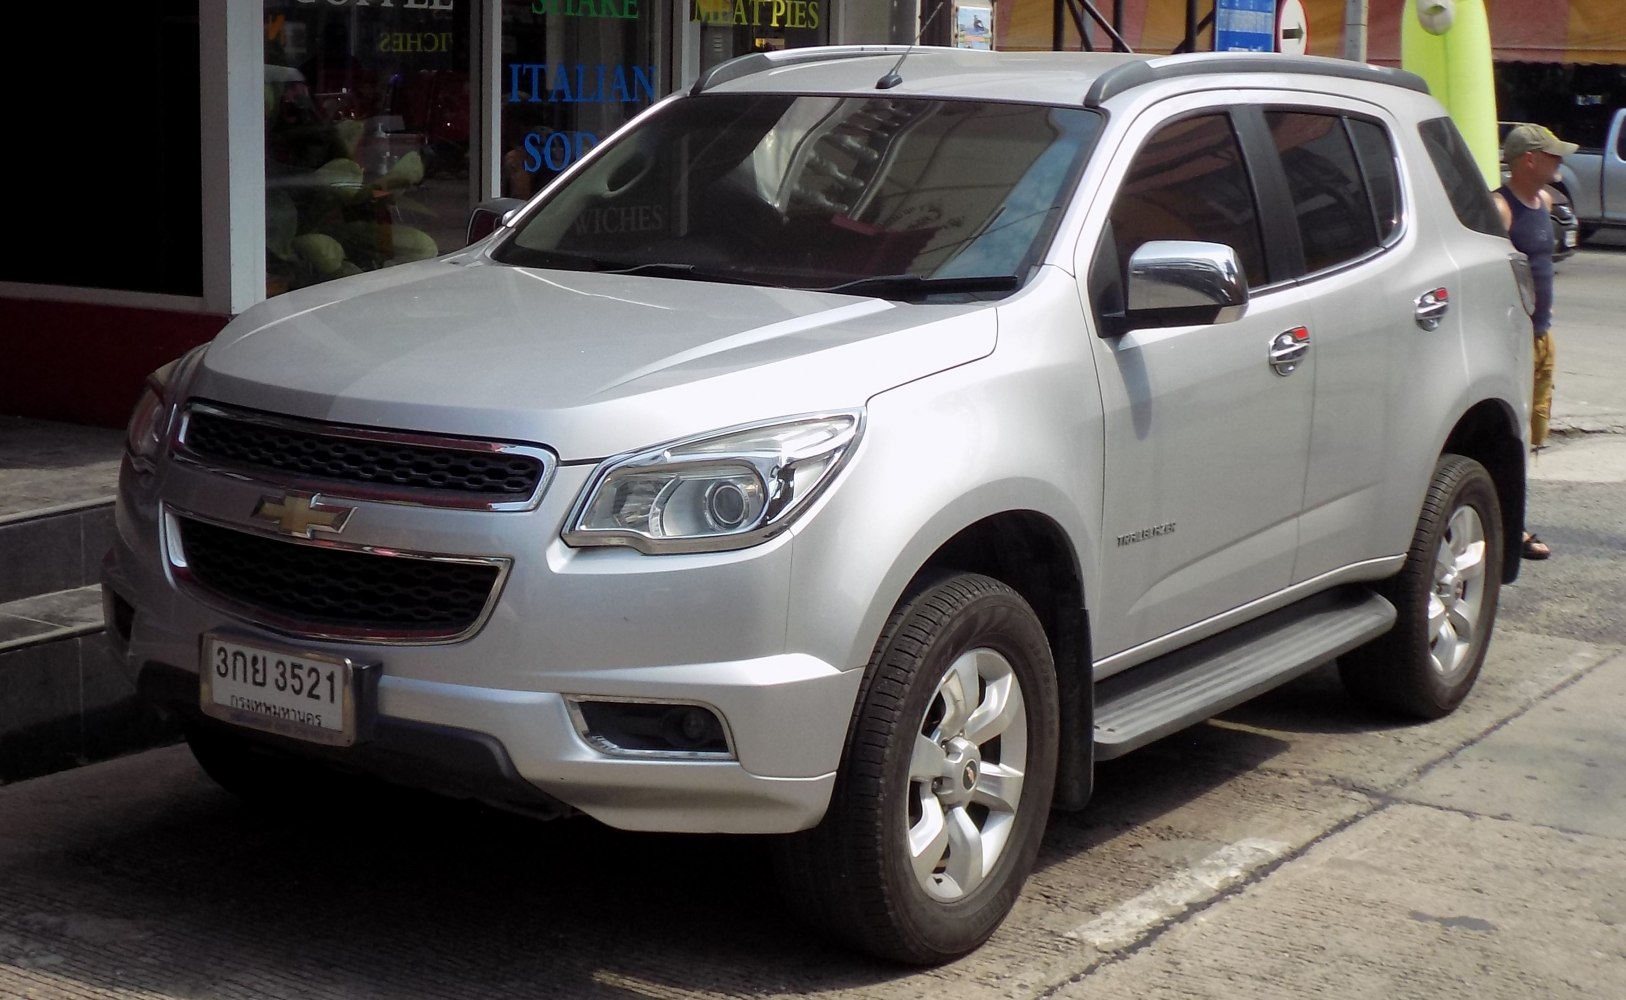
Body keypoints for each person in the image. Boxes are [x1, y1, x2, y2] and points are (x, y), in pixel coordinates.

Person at [1493, 122, 1576, 561]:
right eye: (1553, 154)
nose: (1560, 161)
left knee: (1533, 433)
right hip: (1514, 340)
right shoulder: (1501, 209)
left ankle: (1512, 520)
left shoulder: (1544, 201)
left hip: (1542, 337)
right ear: (1529, 159)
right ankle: (1511, 527)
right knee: (1513, 436)